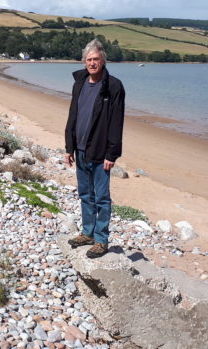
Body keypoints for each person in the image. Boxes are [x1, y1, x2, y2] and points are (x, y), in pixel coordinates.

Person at [64, 39, 125, 258]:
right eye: (89, 59)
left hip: (101, 152)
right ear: (84, 62)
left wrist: (112, 153)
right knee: (85, 194)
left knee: (102, 198)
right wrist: (68, 147)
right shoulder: (79, 82)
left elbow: (117, 122)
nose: (92, 63)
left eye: (96, 59)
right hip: (80, 150)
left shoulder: (113, 86)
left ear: (103, 60)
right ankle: (87, 233)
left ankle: (101, 240)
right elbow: (73, 114)